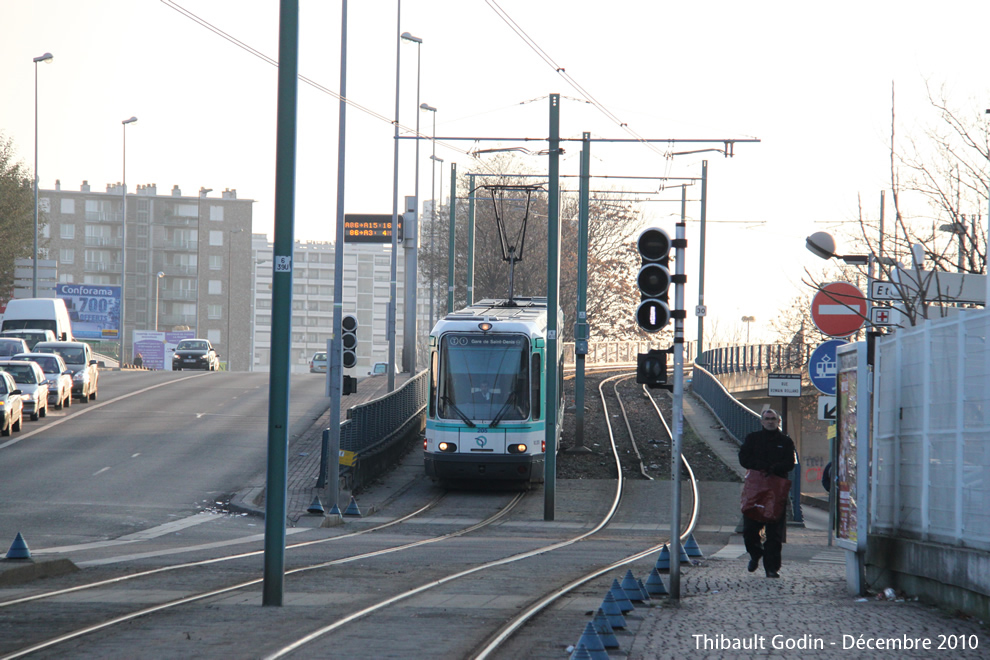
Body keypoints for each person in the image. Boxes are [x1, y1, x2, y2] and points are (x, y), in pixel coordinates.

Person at [739, 408, 796, 578]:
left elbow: (790, 463)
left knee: (774, 533)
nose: (770, 421)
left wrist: (775, 468)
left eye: (773, 419)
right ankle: (755, 553)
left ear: (778, 421)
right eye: (767, 418)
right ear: (762, 421)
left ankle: (772, 568)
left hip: (776, 490)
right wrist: (760, 465)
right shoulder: (753, 439)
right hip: (755, 489)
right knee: (749, 529)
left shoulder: (785, 442)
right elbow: (743, 459)